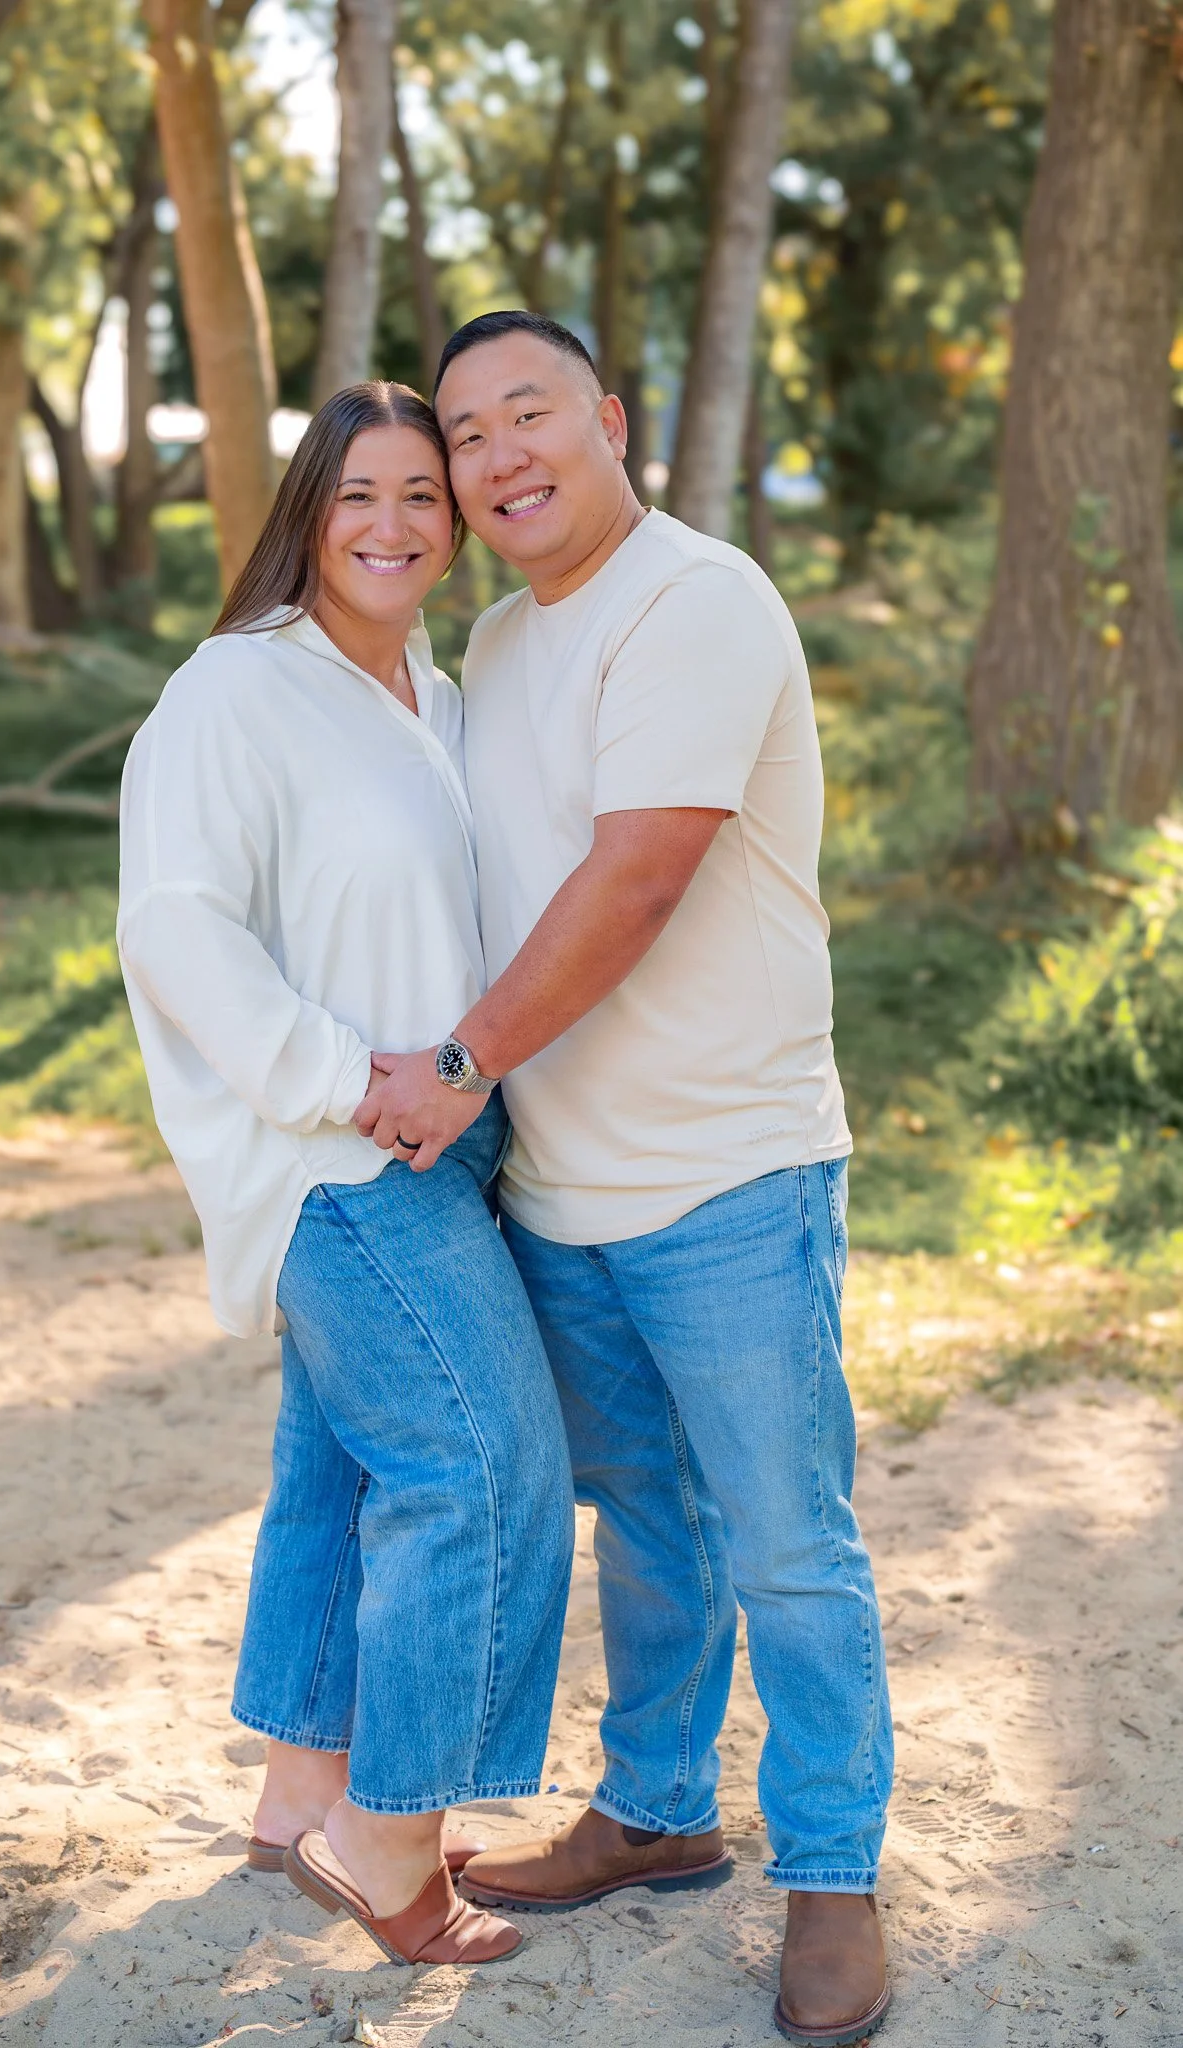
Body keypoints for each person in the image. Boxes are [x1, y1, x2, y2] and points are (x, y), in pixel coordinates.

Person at [357, 312, 894, 2046]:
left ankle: (833, 1875)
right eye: (469, 434)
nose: (502, 455)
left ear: (608, 420)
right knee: (650, 1527)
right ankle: (658, 1811)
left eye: (534, 414)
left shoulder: (701, 598)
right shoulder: (499, 640)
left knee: (789, 1545)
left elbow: (639, 879)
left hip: (731, 1171)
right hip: (561, 1187)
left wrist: (455, 1068)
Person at [116, 380, 574, 1970]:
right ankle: (391, 1847)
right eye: (356, 492)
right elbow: (176, 925)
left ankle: (297, 1787)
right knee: (487, 1472)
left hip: (450, 1147)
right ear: (308, 510)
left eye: (420, 497)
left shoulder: (427, 700)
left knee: (350, 1467)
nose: (390, 524)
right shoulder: (236, 691)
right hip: (337, 1161)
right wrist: (343, 1081)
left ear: (453, 525)